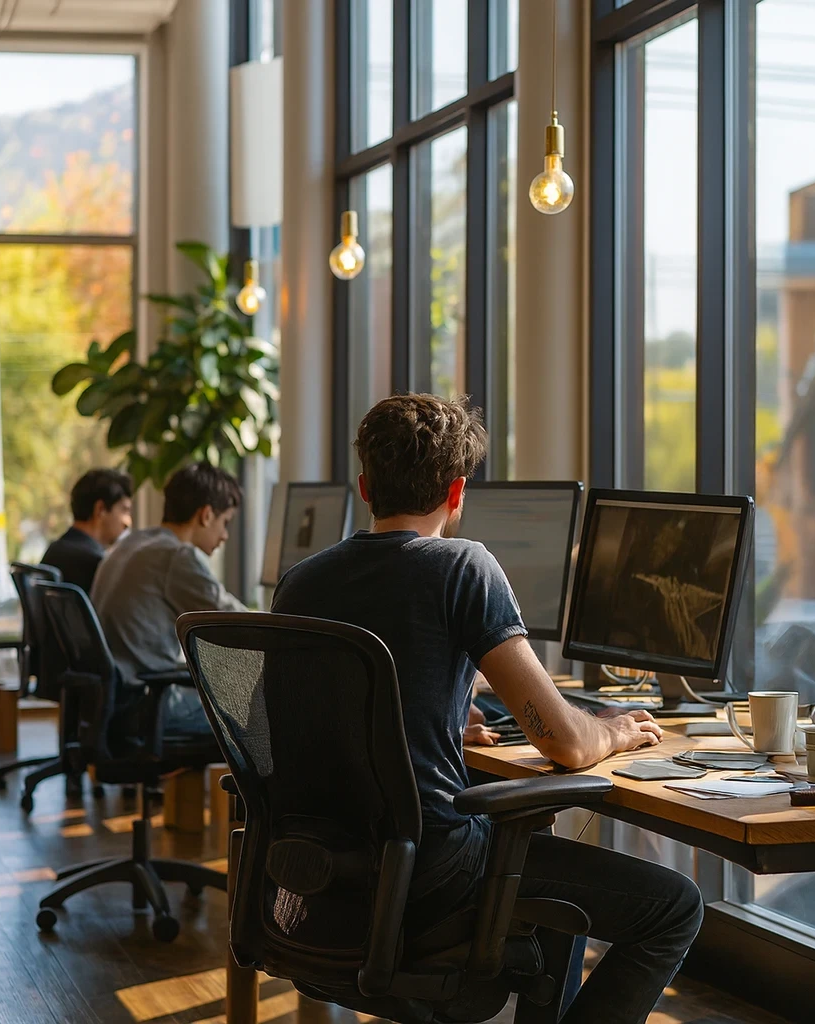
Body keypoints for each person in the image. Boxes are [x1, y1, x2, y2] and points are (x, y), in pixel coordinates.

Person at [272, 393, 703, 1024]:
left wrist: (435, 725)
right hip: (430, 876)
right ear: (457, 491)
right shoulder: (462, 566)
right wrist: (611, 729)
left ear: (365, 486)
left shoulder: (301, 582)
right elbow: (566, 745)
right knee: (675, 908)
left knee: (535, 850)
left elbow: (319, 719)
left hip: (326, 878)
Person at [91, 461, 246, 734]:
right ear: (206, 515)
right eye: (226, 522)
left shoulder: (131, 542)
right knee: (255, 719)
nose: (224, 536)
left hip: (113, 702)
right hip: (146, 705)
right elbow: (236, 620)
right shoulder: (176, 556)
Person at [42, 469, 134, 593]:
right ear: (100, 509)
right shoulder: (97, 565)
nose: (128, 522)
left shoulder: (53, 551)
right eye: (124, 510)